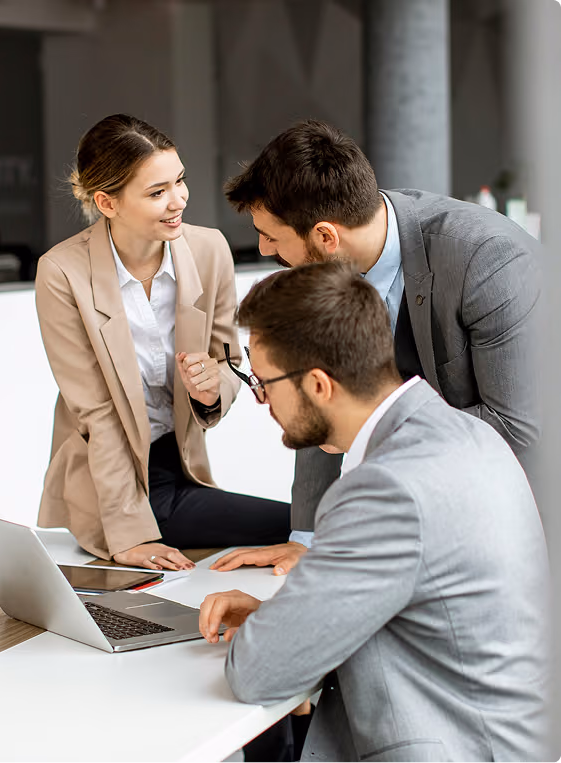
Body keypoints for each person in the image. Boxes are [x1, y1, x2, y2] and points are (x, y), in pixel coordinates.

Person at [200, 261, 549, 762]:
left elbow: (257, 673)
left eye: (265, 382)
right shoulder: (465, 435)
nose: (262, 401)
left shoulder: (386, 488)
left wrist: (272, 634)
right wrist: (287, 618)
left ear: (318, 385)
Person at [212, 118, 541, 576]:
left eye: (272, 236)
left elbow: (519, 427)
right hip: (412, 521)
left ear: (325, 237)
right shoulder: (320, 271)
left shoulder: (487, 260)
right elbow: (319, 407)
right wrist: (309, 539)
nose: (265, 250)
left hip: (516, 529)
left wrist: (364, 426)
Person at [35, 114, 289, 573]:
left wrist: (213, 391)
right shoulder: (62, 273)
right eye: (156, 192)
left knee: (306, 524)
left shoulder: (209, 250)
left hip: (179, 464)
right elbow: (96, 413)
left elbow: (230, 361)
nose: (178, 201)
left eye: (180, 181)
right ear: (106, 203)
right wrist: (129, 533)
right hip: (109, 479)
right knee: (299, 526)